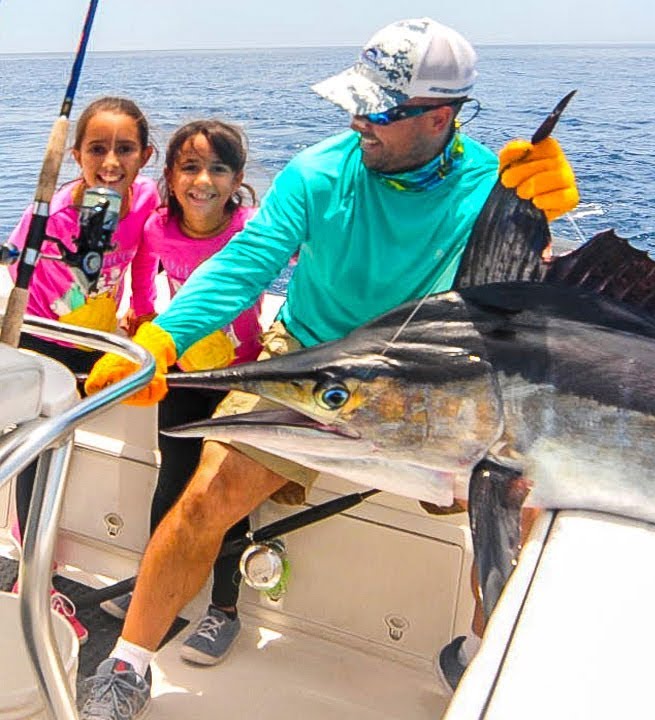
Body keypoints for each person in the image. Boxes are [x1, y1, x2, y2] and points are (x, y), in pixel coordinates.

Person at [78, 17, 579, 720]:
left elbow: (528, 301)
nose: (356, 122)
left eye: (376, 110)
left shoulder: (492, 185)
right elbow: (244, 267)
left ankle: (475, 655)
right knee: (207, 493)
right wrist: (165, 337)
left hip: (423, 374)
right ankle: (126, 664)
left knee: (513, 510)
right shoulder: (319, 171)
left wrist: (535, 217)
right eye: (354, 103)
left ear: (439, 116)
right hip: (311, 360)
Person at [98, 119, 265, 668]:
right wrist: (144, 329)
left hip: (238, 379)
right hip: (184, 373)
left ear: (237, 178)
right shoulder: (156, 228)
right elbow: (143, 283)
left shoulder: (250, 230)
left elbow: (309, 263)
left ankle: (224, 608)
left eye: (218, 168)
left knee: (225, 493)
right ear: (169, 176)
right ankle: (154, 587)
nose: (203, 181)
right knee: (171, 481)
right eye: (189, 167)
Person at [4, 96, 159, 644]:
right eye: (98, 148)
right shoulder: (53, 210)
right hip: (47, 341)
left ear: (145, 155)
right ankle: (33, 569)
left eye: (125, 148)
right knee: (38, 452)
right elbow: (14, 261)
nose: (111, 160)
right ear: (76, 155)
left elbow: (143, 255)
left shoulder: (144, 201)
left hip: (100, 339)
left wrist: (142, 308)